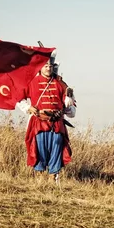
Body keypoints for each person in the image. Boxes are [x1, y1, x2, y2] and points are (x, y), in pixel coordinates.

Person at [16, 51, 76, 182]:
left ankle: (53, 177)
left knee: (56, 147)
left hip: (57, 123)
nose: (48, 68)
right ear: (40, 67)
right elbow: (19, 99)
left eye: (50, 66)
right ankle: (39, 178)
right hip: (39, 121)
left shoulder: (61, 83)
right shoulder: (31, 82)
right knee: (39, 149)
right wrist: (28, 108)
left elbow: (71, 109)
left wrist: (67, 106)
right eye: (45, 66)